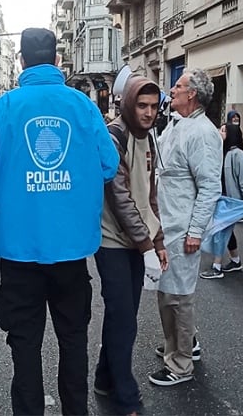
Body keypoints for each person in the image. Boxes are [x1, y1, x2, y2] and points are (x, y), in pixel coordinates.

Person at [0, 28, 119, 415]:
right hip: (71, 252)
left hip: (20, 254)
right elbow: (109, 164)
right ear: (58, 60)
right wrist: (73, 191)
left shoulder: (3, 108)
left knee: (25, 345)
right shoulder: (83, 107)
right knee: (73, 341)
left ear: (20, 61)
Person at [94, 75, 169, 415]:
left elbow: (149, 195)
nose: (149, 112)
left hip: (138, 243)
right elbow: (120, 197)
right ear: (128, 104)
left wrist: (159, 239)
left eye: (154, 106)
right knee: (124, 318)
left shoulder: (148, 137)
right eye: (142, 105)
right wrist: (147, 246)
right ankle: (125, 394)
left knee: (122, 315)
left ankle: (104, 377)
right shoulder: (114, 136)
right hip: (112, 242)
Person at [151, 68, 222, 387]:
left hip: (182, 229)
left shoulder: (203, 133)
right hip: (169, 225)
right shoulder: (179, 125)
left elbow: (210, 187)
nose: (172, 89)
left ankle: (179, 365)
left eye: (178, 86)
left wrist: (195, 231)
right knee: (168, 292)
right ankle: (183, 344)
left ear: (192, 94)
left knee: (176, 297)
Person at [200, 124, 243, 279]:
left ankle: (216, 267)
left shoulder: (237, 154)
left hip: (230, 201)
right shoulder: (221, 151)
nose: (220, 132)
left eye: (223, 131)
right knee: (226, 231)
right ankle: (236, 261)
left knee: (219, 230)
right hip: (221, 198)